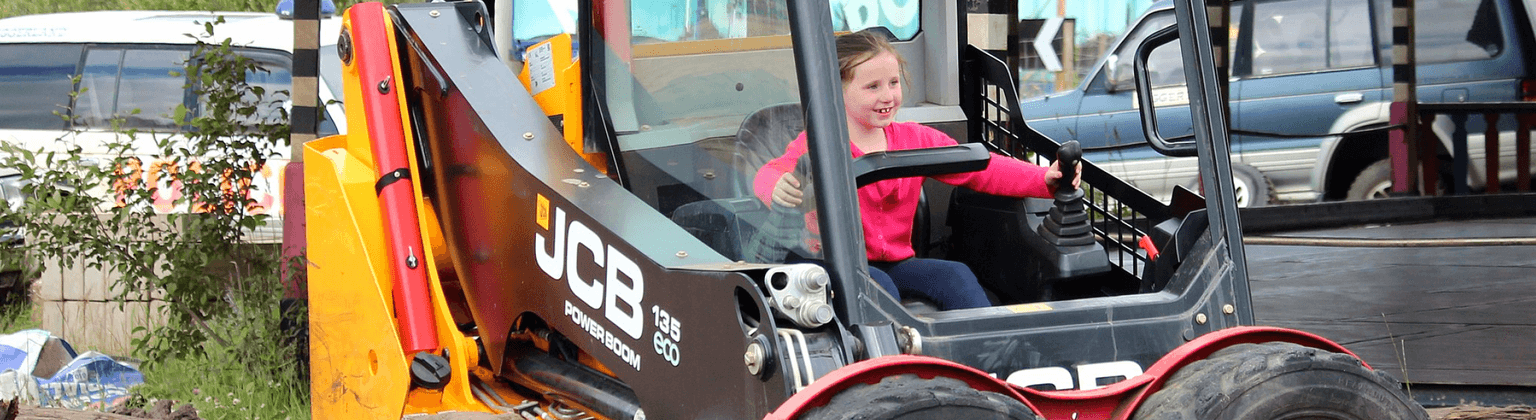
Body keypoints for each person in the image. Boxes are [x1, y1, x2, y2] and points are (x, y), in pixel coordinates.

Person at [752, 29, 1078, 311]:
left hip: (897, 263)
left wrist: (1043, 179)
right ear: (835, 91)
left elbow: (982, 168)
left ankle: (987, 363)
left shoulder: (915, 139)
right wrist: (778, 185)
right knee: (877, 286)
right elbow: (770, 173)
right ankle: (896, 370)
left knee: (956, 276)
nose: (888, 96)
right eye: (873, 87)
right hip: (834, 264)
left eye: (894, 83)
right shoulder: (818, 143)